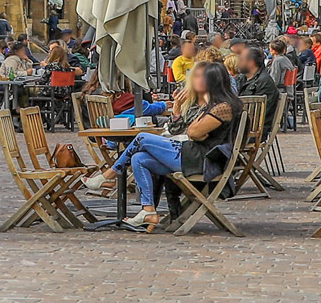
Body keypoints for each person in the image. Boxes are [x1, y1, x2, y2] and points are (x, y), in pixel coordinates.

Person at [95, 61, 243, 231]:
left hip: (203, 160)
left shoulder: (223, 107)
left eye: (203, 77)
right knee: (139, 158)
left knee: (143, 137)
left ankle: (110, 175)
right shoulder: (210, 104)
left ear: (214, 81)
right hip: (193, 154)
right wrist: (183, 114)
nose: (197, 81)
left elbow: (193, 132)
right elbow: (191, 131)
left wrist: (197, 126)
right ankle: (148, 210)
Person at [234, 48, 281, 139]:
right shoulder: (242, 78)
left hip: (251, 131)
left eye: (241, 59)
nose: (238, 62)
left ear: (251, 62)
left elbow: (257, 113)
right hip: (240, 127)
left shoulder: (264, 82)